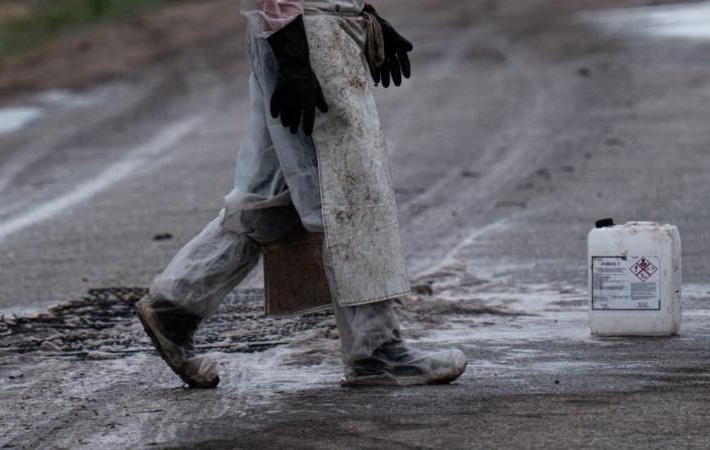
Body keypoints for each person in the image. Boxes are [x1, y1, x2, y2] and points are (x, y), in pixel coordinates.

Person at [137, 0, 467, 388]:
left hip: (309, 30)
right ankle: (376, 350)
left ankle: (176, 306)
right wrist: (293, 52)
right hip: (305, 37)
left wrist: (361, 11)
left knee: (277, 195)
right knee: (351, 194)